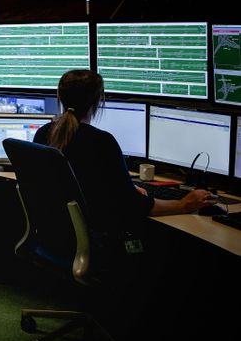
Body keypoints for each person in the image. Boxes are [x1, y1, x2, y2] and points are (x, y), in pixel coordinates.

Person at [33, 69, 216, 235]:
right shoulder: (101, 141)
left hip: (57, 236)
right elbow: (134, 206)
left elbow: (76, 184)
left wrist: (123, 188)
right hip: (98, 239)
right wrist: (183, 204)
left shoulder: (43, 134)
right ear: (97, 102)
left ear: (59, 96)